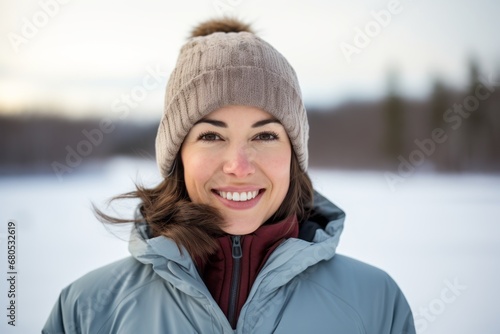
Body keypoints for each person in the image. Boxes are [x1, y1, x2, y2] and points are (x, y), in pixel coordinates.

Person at [43, 18, 416, 334]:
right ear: (178, 156)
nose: (239, 165)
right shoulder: (88, 310)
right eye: (211, 136)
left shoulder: (374, 303)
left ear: (293, 155)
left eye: (265, 135)